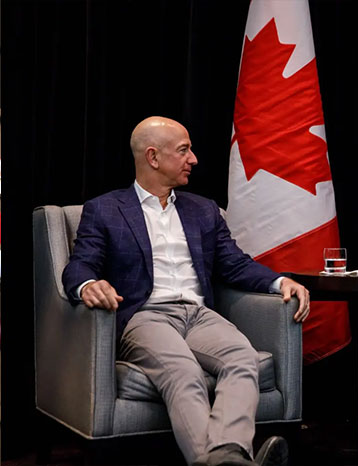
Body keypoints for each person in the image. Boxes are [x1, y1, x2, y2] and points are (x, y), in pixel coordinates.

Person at [62, 116, 310, 466]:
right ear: (153, 157)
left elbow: (234, 264)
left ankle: (226, 457)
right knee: (183, 371)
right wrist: (89, 285)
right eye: (183, 150)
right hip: (145, 317)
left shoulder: (203, 210)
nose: (194, 159)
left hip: (200, 316)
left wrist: (279, 281)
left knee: (243, 359)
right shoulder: (105, 209)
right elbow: (80, 265)